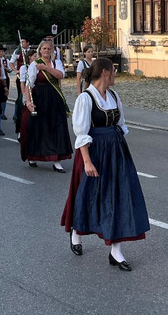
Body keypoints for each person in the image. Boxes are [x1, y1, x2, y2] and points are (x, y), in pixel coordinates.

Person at [61, 58, 149, 271]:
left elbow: (120, 124)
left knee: (119, 196)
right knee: (88, 195)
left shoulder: (113, 96)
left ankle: (115, 251)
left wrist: (120, 149)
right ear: (105, 73)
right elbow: (81, 132)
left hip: (116, 152)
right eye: (114, 72)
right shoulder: (86, 98)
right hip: (93, 152)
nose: (116, 76)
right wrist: (88, 162)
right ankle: (76, 232)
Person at [19, 39, 72, 172]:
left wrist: (46, 68)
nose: (46, 51)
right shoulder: (34, 65)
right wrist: (29, 101)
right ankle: (33, 155)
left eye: (49, 49)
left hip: (54, 98)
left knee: (57, 127)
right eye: (44, 49)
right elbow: (29, 84)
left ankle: (56, 160)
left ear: (52, 50)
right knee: (38, 128)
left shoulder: (56, 63)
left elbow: (61, 75)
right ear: (40, 51)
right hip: (39, 98)